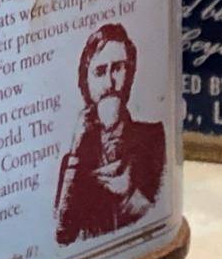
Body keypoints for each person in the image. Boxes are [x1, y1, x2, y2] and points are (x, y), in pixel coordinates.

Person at [54, 23, 167, 245]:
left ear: (130, 73)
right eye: (99, 72)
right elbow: (63, 236)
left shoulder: (154, 138)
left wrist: (129, 195)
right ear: (85, 83)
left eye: (118, 68)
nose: (110, 83)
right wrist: (76, 150)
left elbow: (157, 210)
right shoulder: (74, 162)